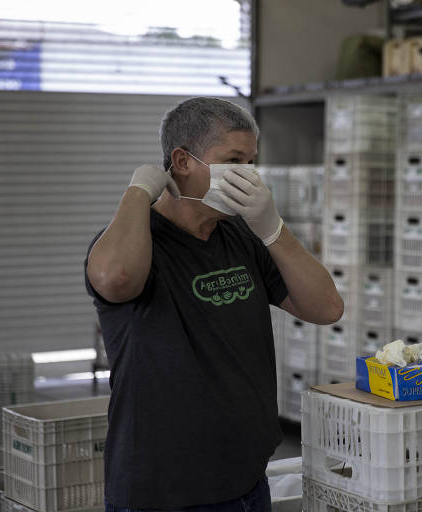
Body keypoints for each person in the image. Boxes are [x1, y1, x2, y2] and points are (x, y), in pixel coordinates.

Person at [84, 97, 343, 512]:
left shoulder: (243, 237)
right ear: (182, 162)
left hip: (247, 480)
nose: (248, 174)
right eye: (234, 160)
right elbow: (116, 279)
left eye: (252, 161)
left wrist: (273, 229)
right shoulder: (136, 241)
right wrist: (138, 192)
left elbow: (327, 307)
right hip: (164, 492)